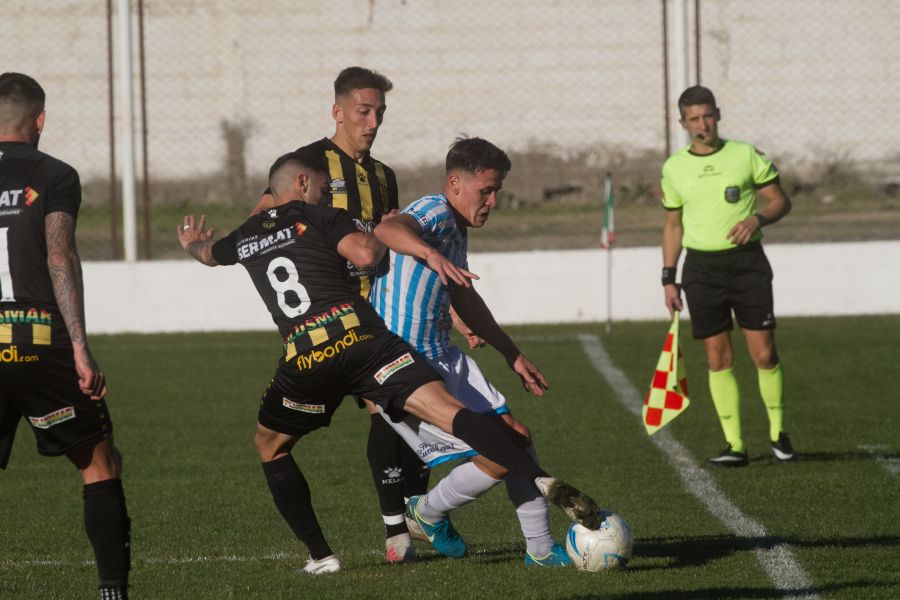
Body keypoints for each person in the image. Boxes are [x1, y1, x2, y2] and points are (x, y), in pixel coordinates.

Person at [177, 150, 603, 574]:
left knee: (270, 446)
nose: (329, 198)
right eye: (325, 191)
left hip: (307, 355)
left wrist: (192, 244)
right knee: (465, 423)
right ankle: (472, 500)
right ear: (303, 186)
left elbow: (210, 254)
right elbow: (367, 252)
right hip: (364, 341)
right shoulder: (322, 217)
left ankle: (322, 556)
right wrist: (379, 231)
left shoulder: (247, 234)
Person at [253, 66, 429, 563]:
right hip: (325, 322)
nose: (373, 122)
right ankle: (402, 526)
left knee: (396, 411)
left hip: (378, 313)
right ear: (338, 111)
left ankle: (404, 526)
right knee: (390, 410)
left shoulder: (382, 176)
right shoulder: (304, 165)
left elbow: (385, 241)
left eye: (379, 113)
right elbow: (264, 223)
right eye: (363, 111)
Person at [370, 136, 570, 566]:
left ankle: (540, 549)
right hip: (403, 363)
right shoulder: (436, 211)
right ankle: (426, 513)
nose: (493, 200)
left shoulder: (455, 228)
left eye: (496, 190)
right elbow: (387, 229)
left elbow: (467, 300)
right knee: (498, 455)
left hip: (440, 355)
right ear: (455, 183)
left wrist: (510, 353)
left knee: (517, 439)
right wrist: (428, 253)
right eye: (486, 190)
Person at [0, 73, 131, 600]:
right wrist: (79, 344)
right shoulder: (55, 174)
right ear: (40, 120)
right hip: (36, 337)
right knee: (99, 463)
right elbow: (59, 256)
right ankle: (111, 592)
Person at [660, 85, 794, 467]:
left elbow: (780, 200)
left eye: (707, 116)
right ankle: (734, 445)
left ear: (717, 114)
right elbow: (672, 225)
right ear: (683, 122)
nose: (702, 125)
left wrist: (757, 218)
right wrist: (669, 277)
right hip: (701, 270)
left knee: (764, 354)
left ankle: (777, 432)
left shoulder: (744, 155)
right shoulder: (674, 167)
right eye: (694, 119)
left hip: (747, 265)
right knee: (718, 358)